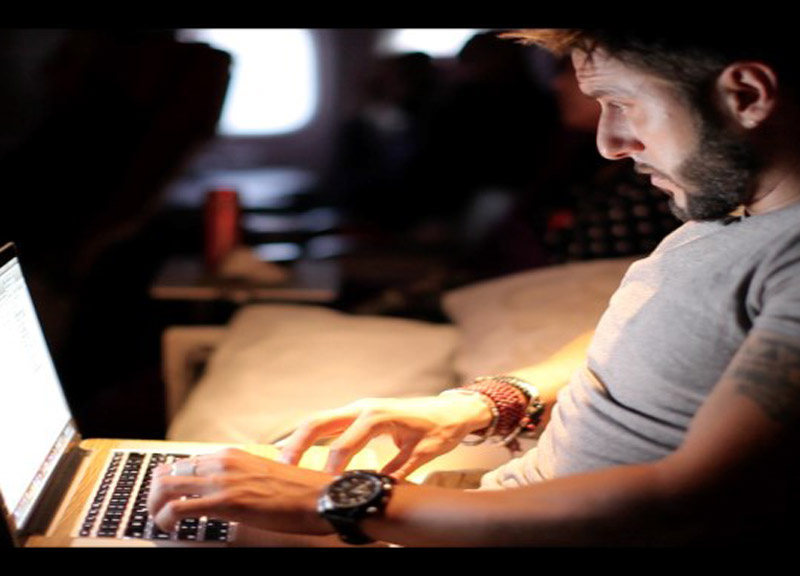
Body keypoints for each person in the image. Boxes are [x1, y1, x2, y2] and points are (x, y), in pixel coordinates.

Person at [147, 28, 800, 546]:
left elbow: (686, 501)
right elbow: (648, 336)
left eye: (622, 104)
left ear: (745, 95)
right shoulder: (728, 215)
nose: (609, 143)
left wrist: (339, 500)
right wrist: (488, 403)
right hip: (499, 503)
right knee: (173, 503)